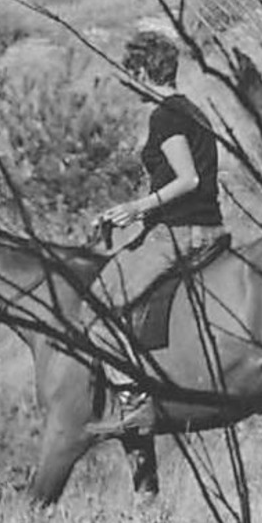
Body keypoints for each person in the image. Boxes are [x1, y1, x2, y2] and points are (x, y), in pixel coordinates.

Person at [84, 31, 224, 439]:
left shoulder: (165, 116)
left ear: (145, 71)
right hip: (198, 225)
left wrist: (136, 208)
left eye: (132, 73)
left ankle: (134, 399)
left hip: (181, 233)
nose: (129, 82)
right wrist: (125, 214)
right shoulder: (191, 109)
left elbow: (187, 179)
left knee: (98, 310)